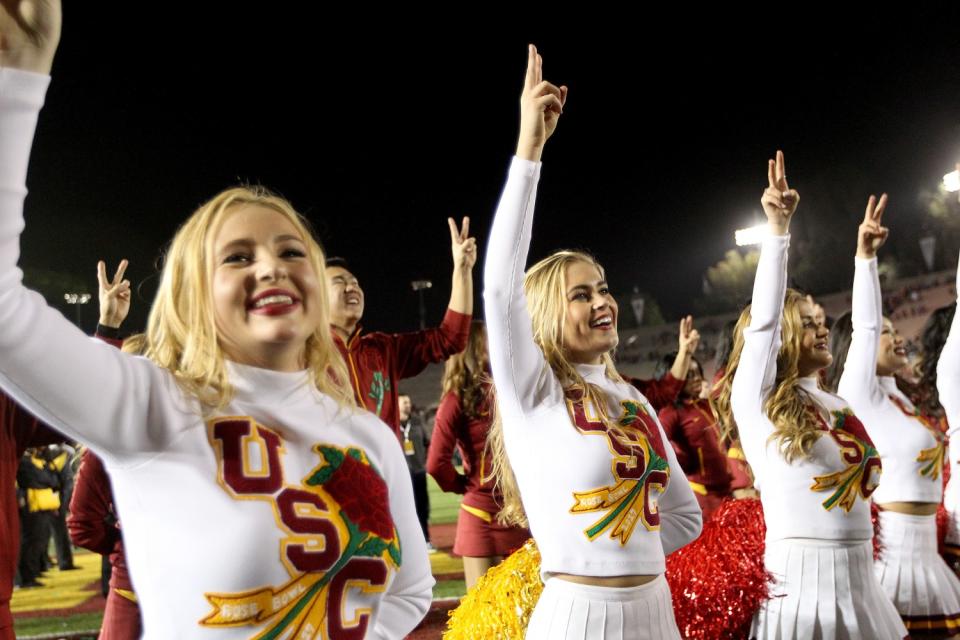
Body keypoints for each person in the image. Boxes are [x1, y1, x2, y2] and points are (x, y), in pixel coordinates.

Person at [0, 5, 432, 637]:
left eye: (291, 252)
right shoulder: (151, 403)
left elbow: (411, 591)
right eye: (238, 257)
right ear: (194, 295)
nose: (272, 268)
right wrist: (18, 77)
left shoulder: (370, 437)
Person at [484, 46, 701, 639]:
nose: (601, 302)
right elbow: (501, 289)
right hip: (579, 616)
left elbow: (684, 515)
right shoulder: (533, 391)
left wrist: (630, 547)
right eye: (582, 295)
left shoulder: (631, 400)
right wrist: (530, 152)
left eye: (602, 289)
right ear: (550, 312)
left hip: (657, 613)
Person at [714, 152, 907, 638]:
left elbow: (864, 331)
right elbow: (759, 326)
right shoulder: (757, 404)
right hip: (800, 595)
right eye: (807, 324)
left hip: (865, 588)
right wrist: (777, 232)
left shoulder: (840, 405)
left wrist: (865, 260)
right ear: (779, 339)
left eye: (822, 322)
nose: (822, 330)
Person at [827, 197, 960, 636]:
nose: (897, 337)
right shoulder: (859, 396)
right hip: (894, 568)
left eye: (894, 329)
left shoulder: (901, 404)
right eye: (886, 334)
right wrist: (866, 259)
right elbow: (865, 327)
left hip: (931, 559)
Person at [325, 218, 475, 440]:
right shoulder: (300, 356)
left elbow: (450, 338)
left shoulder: (383, 350)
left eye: (355, 282)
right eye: (339, 282)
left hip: (386, 474)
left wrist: (462, 271)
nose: (352, 287)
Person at [427, 320, 530, 588]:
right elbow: (436, 464)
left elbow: (437, 464)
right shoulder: (513, 389)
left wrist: (466, 485)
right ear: (474, 348)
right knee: (511, 616)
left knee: (492, 618)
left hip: (500, 512)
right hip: (506, 514)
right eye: (488, 339)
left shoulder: (457, 398)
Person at [656, 354, 732, 521]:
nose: (697, 378)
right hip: (703, 495)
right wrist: (680, 459)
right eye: (689, 375)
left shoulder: (704, 404)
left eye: (697, 372)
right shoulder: (671, 412)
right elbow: (656, 445)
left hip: (726, 491)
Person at [398, 393, 432, 548]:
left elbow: (428, 443)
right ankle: (406, 544)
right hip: (401, 476)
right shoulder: (391, 424)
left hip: (418, 471)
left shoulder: (417, 422)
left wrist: (425, 461)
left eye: (409, 401)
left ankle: (426, 540)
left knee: (422, 507)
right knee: (403, 510)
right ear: (396, 404)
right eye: (404, 402)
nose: (408, 404)